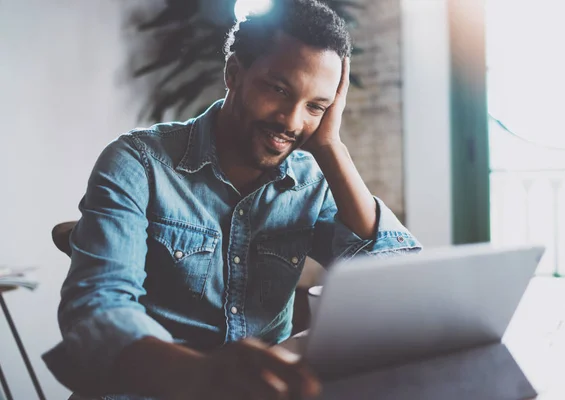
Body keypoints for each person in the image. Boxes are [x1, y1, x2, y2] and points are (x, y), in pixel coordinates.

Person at [43, 0, 422, 399]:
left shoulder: (311, 181)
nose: (292, 121)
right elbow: (95, 309)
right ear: (234, 73)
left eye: (316, 106)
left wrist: (331, 147)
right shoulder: (138, 163)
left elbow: (401, 284)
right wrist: (203, 376)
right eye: (278, 89)